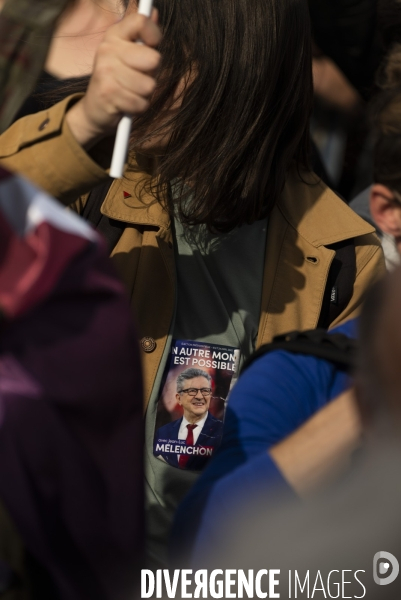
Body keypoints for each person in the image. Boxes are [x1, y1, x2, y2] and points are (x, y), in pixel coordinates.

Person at [0, 0, 385, 567]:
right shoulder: (90, 179)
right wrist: (83, 124)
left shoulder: (342, 258)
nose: (139, 69)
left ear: (237, 70)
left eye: (167, 55)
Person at [155, 368, 223, 470]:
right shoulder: (162, 433)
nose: (200, 396)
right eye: (192, 391)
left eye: (205, 391)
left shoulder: (223, 433)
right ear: (179, 398)